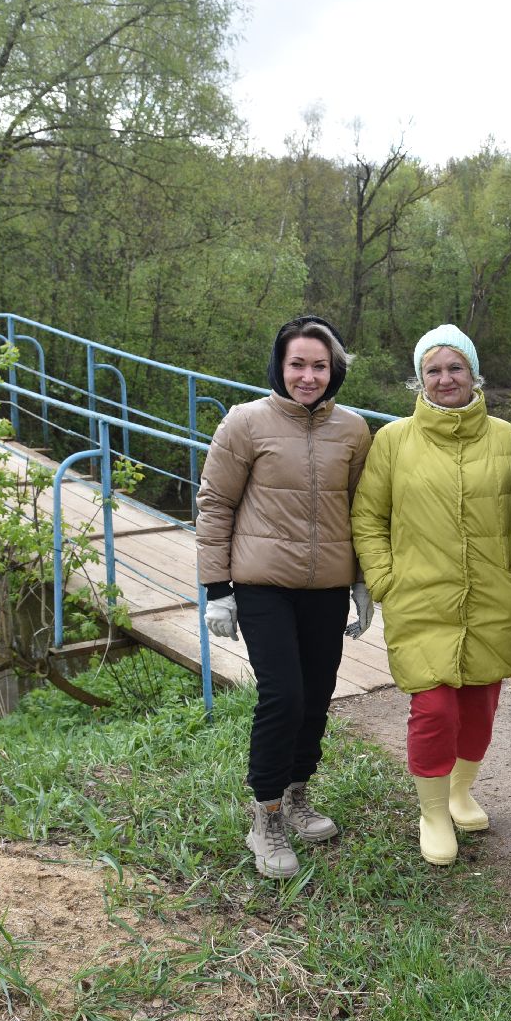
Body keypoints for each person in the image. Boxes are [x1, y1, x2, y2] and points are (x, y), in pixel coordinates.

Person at [351, 324, 511, 867]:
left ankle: (461, 792)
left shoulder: (506, 438)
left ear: (473, 375)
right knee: (434, 707)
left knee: (479, 706)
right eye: (433, 370)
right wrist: (386, 579)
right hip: (420, 598)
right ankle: (433, 811)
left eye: (455, 367)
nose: (445, 379)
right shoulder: (392, 441)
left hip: (492, 597)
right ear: (419, 381)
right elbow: (368, 518)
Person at [196, 315, 373, 880]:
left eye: (319, 366)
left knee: (318, 695)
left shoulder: (353, 430)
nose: (308, 376)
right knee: (284, 696)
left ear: (334, 371)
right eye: (297, 364)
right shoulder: (245, 423)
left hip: (325, 588)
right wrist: (217, 590)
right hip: (261, 584)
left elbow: (365, 511)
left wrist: (363, 579)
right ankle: (265, 814)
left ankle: (297, 794)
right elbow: (216, 503)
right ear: (279, 365)